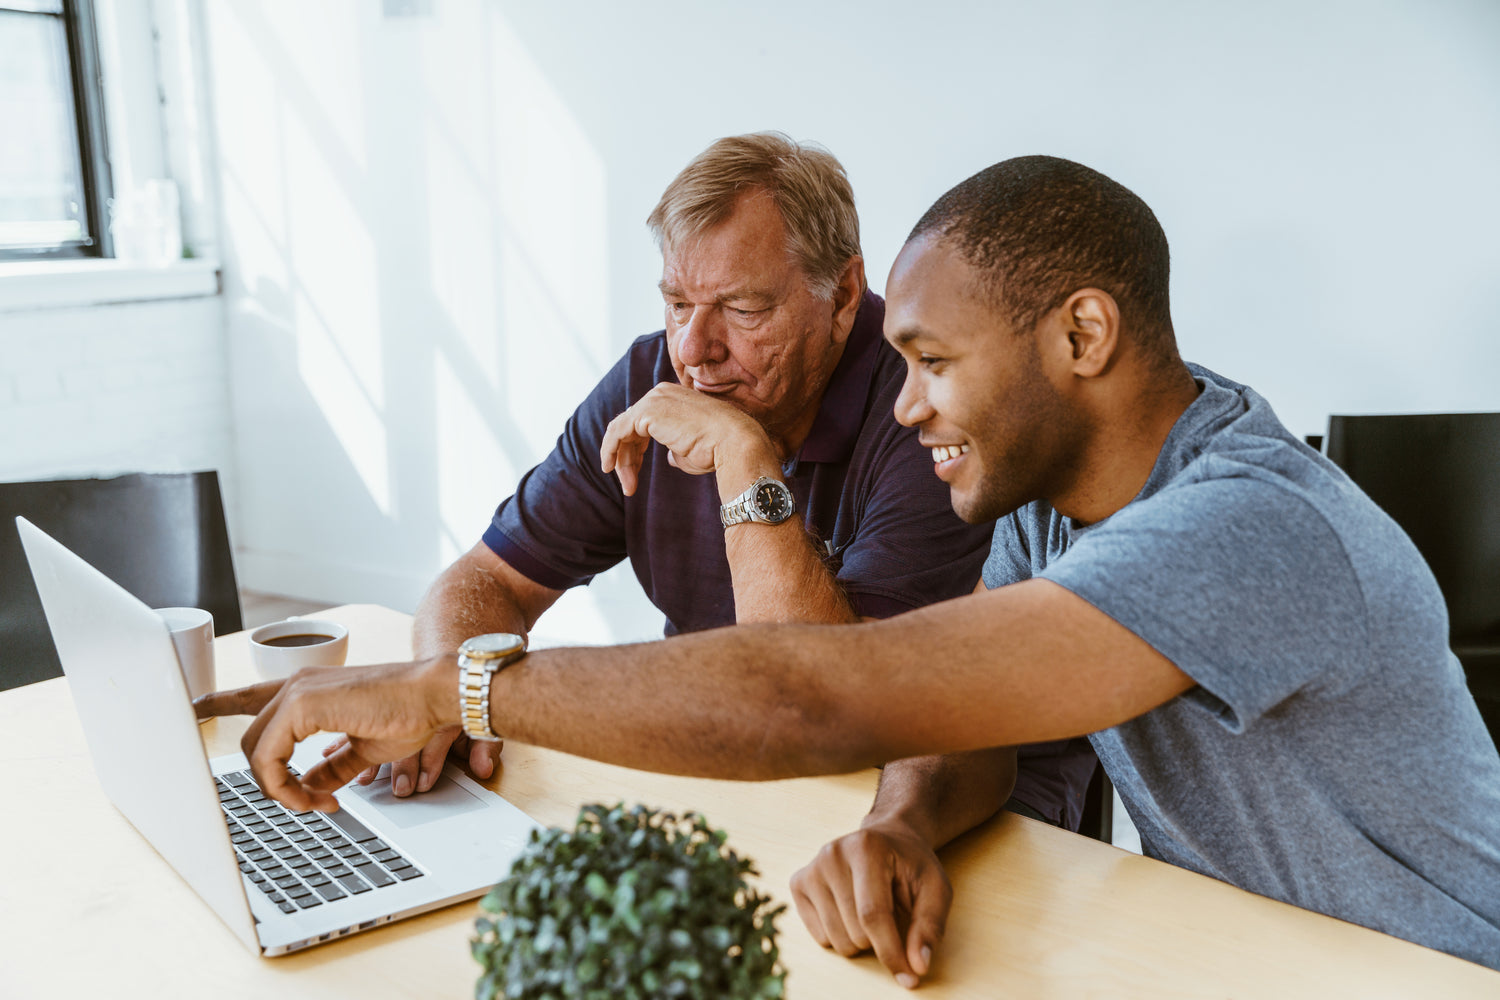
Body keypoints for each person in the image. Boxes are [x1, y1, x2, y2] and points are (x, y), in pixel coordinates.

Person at [201, 155, 1500, 984]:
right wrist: (897, 824)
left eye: (934, 362)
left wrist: (450, 689)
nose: (913, 404)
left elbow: (815, 696)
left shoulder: (1248, 524)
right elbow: (967, 734)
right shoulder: (1057, 504)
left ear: (1082, 335)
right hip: (1255, 961)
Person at [365, 132, 1096, 832]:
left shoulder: (929, 406)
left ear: (843, 296)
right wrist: (446, 697)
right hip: (731, 766)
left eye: (744, 311)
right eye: (678, 303)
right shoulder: (652, 380)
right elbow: (485, 583)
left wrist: (745, 458)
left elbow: (825, 713)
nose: (693, 352)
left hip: (947, 803)